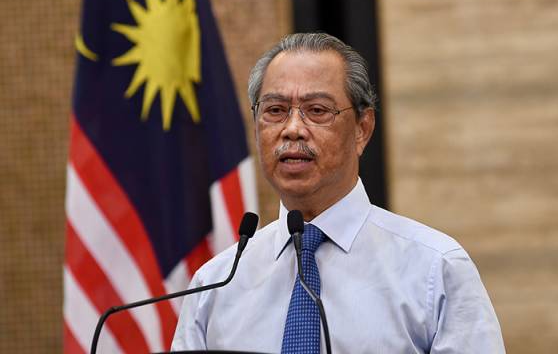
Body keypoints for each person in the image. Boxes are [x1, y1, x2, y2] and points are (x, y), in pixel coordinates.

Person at [172, 33, 505, 353]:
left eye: (317, 110)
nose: (292, 129)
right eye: (275, 110)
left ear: (362, 129)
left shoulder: (435, 269)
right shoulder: (215, 285)